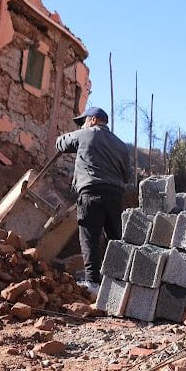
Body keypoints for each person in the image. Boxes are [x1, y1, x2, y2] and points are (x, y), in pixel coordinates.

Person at [56, 107, 129, 295]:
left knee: (89, 237)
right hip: (115, 195)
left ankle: (92, 282)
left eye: (84, 121)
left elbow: (61, 143)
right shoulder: (121, 145)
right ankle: (118, 284)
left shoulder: (85, 134)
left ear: (94, 119)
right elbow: (126, 175)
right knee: (115, 239)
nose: (82, 125)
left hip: (91, 192)